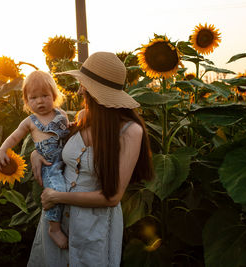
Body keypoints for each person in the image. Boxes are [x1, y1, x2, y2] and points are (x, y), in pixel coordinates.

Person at [27, 52, 154, 266]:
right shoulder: (83, 119)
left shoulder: (130, 132)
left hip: (92, 227)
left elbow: (112, 197)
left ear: (95, 92)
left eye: (83, 86)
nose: (79, 90)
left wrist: (58, 197)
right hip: (56, 221)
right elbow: (55, 147)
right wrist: (35, 154)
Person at [0, 70, 70, 249]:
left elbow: (67, 134)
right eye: (33, 98)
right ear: (27, 101)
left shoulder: (61, 115)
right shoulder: (30, 121)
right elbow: (14, 138)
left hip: (64, 160)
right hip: (48, 165)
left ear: (54, 95)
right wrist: (2, 150)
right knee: (57, 191)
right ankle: (54, 228)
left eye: (45, 95)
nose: (40, 101)